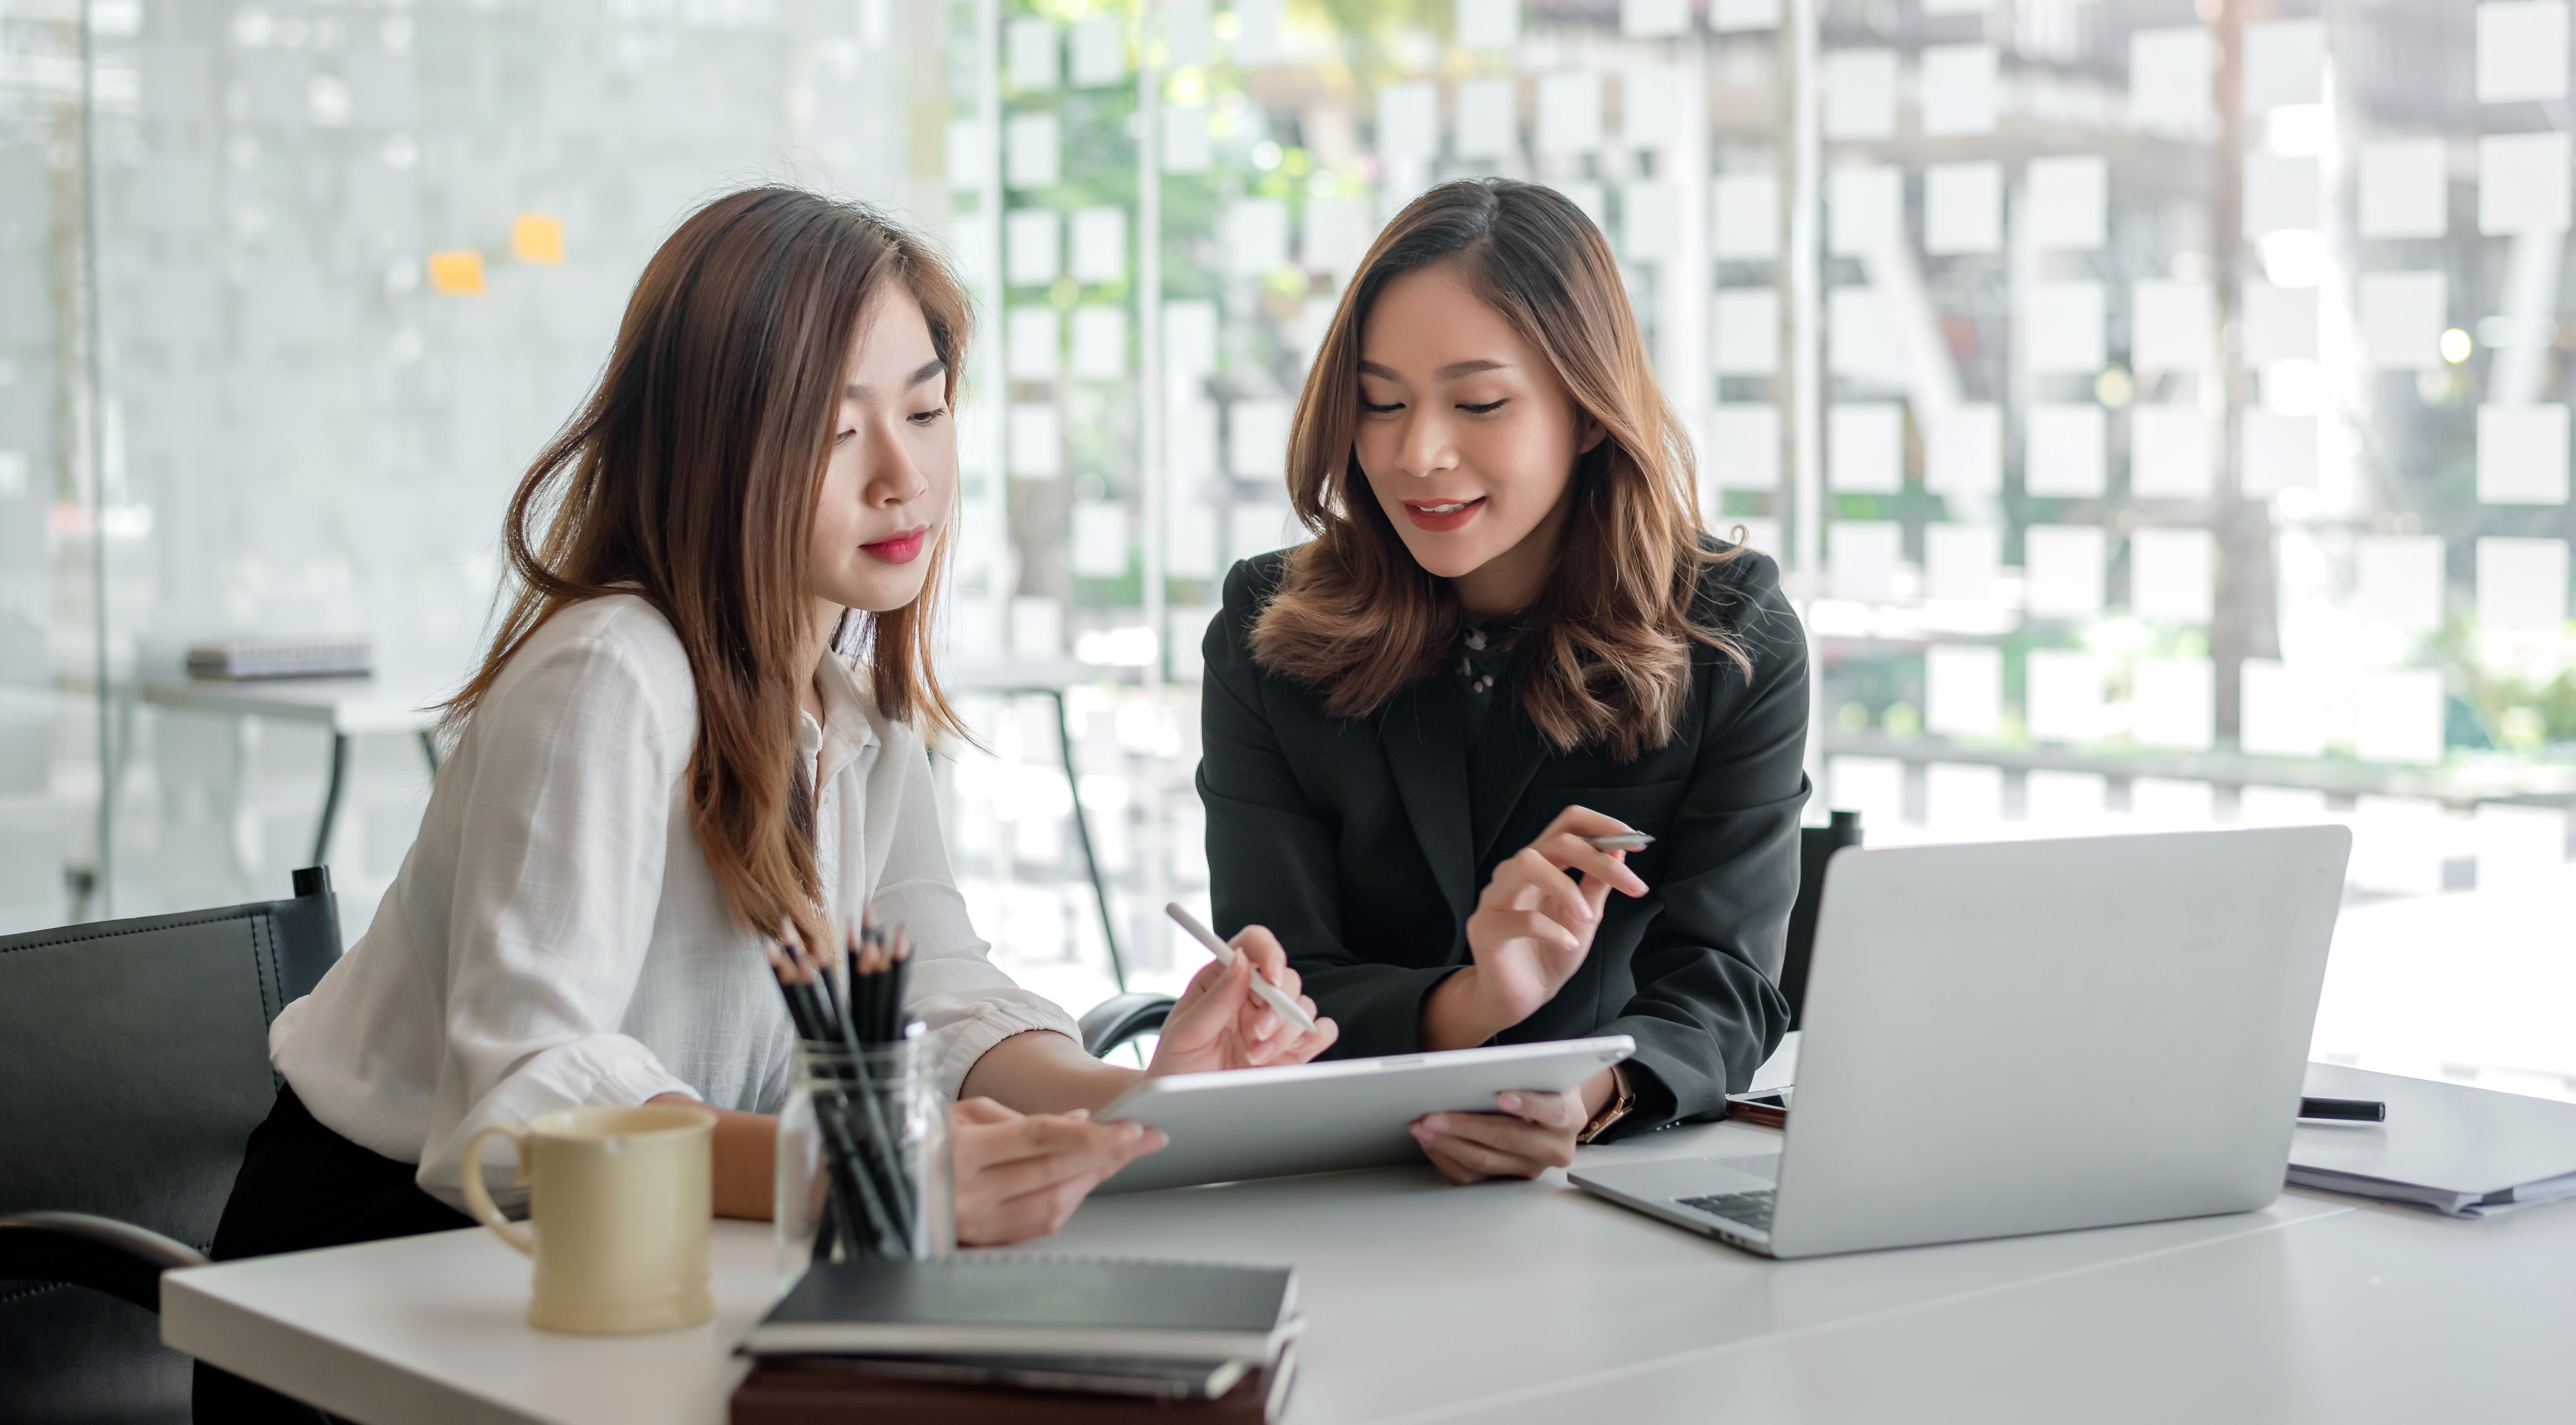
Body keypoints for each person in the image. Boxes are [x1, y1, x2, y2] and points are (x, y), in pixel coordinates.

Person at [200, 187, 1337, 1421]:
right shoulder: (608, 671)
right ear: (713, 445)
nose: (905, 475)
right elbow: (535, 1088)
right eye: (836, 431)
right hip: (385, 1278)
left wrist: (1137, 1111)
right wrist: (853, 1171)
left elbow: (943, 992)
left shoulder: (848, 691)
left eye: (925, 408)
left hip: (659, 1260)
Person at [1197, 178, 1809, 1186]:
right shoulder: (1267, 628)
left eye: (1479, 403)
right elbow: (1281, 969)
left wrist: (1588, 1097)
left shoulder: (1728, 634)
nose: (1418, 453)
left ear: (1586, 409)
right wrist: (1474, 1007)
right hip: (1334, 1183)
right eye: (1380, 403)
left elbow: (1726, 982)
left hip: (1600, 1187)